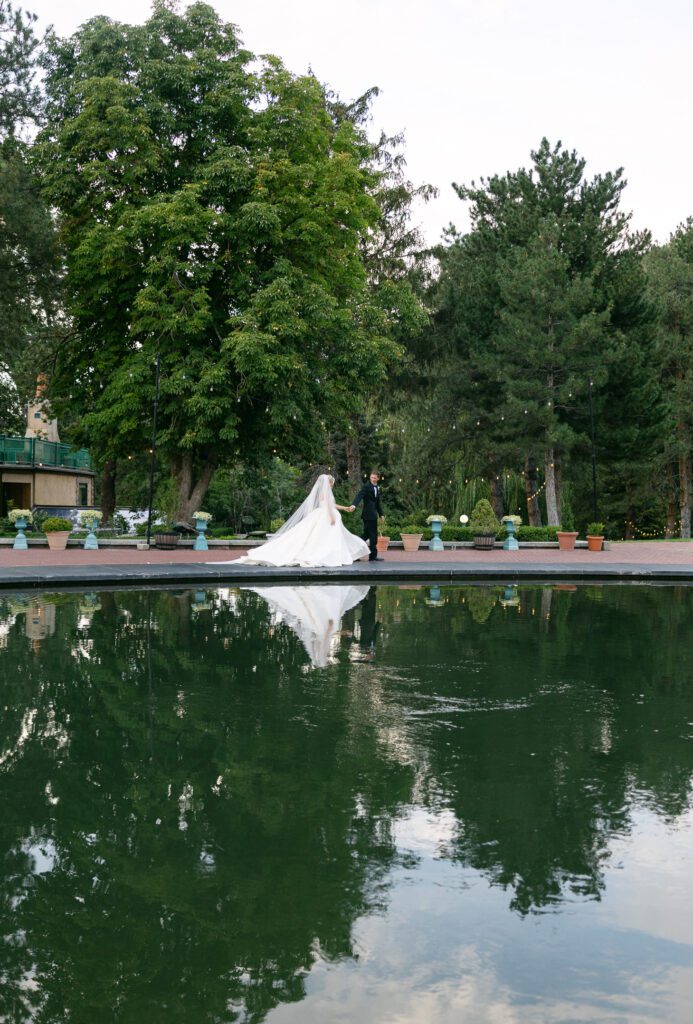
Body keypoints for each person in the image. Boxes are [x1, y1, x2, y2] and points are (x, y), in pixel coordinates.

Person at [229, 474, 369, 567]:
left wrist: (344, 508)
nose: (332, 485)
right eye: (331, 483)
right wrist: (332, 516)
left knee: (319, 537)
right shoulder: (325, 492)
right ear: (328, 483)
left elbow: (331, 504)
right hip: (325, 516)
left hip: (323, 514)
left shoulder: (325, 492)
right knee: (320, 538)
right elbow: (327, 505)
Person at [350, 469, 384, 562]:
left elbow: (377, 503)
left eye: (374, 478)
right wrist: (354, 505)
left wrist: (381, 514)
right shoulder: (366, 487)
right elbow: (359, 496)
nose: (373, 479)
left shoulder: (377, 488)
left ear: (378, 478)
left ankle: (355, 554)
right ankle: (372, 556)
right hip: (368, 515)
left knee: (366, 535)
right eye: (371, 477)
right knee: (373, 536)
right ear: (370, 477)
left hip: (373, 515)